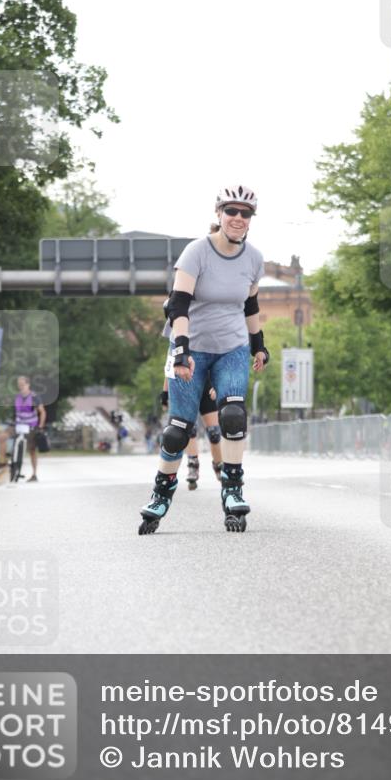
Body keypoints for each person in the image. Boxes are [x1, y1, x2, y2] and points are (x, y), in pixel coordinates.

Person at [139, 184, 269, 534]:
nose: (238, 218)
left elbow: (250, 305)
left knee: (233, 415)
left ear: (251, 218)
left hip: (232, 348)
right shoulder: (196, 252)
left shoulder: (254, 258)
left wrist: (258, 344)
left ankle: (233, 490)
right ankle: (160, 494)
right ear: (219, 214)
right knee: (178, 431)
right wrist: (181, 348)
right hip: (191, 347)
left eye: (245, 213)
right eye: (231, 211)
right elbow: (178, 304)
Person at [160, 375, 223, 489]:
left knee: (214, 433)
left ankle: (219, 465)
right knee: (189, 429)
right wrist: (165, 392)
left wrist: (219, 384)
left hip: (208, 386)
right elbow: (170, 366)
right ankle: (193, 465)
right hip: (187, 386)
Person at [0, 376, 47, 481]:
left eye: (23, 385)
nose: (21, 387)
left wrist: (41, 426)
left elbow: (42, 412)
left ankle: (34, 474)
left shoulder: (34, 397)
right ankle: (2, 462)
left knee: (32, 450)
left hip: (30, 426)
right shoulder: (16, 397)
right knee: (2, 437)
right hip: (18, 424)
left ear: (28, 385)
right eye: (19, 385)